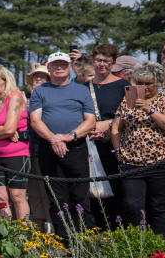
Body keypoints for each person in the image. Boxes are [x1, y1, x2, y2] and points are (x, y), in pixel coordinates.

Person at [29, 52, 97, 238]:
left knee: (80, 196)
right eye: (55, 64)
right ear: (48, 67)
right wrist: (53, 139)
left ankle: (86, 239)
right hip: (49, 149)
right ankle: (64, 240)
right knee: (57, 198)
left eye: (63, 64)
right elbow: (35, 120)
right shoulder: (40, 91)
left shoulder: (81, 90)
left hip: (76, 148)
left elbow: (90, 120)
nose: (59, 67)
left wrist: (69, 136)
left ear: (70, 67)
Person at [111, 62, 165, 236]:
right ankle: (137, 246)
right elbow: (115, 128)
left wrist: (150, 109)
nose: (143, 87)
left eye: (148, 83)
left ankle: (161, 249)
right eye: (139, 83)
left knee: (158, 205)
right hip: (131, 163)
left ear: (158, 83)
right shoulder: (129, 99)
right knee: (132, 206)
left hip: (159, 162)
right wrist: (118, 151)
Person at [87, 44, 131, 225]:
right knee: (95, 192)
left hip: (115, 144)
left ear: (113, 63)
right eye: (98, 60)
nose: (102, 64)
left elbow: (131, 115)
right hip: (91, 146)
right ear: (93, 61)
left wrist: (106, 125)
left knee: (118, 190)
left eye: (106, 61)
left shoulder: (124, 85)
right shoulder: (84, 86)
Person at [0, 66, 30, 220]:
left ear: (5, 80)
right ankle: (6, 235)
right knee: (0, 197)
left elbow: (10, 129)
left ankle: (24, 236)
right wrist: (3, 130)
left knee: (17, 196)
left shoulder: (14, 96)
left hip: (17, 154)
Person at [25, 63, 52, 230]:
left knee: (47, 191)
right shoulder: (24, 100)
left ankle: (53, 226)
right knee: (33, 192)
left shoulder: (51, 99)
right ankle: (39, 227)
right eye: (36, 78)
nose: (38, 80)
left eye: (42, 77)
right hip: (28, 150)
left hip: (47, 149)